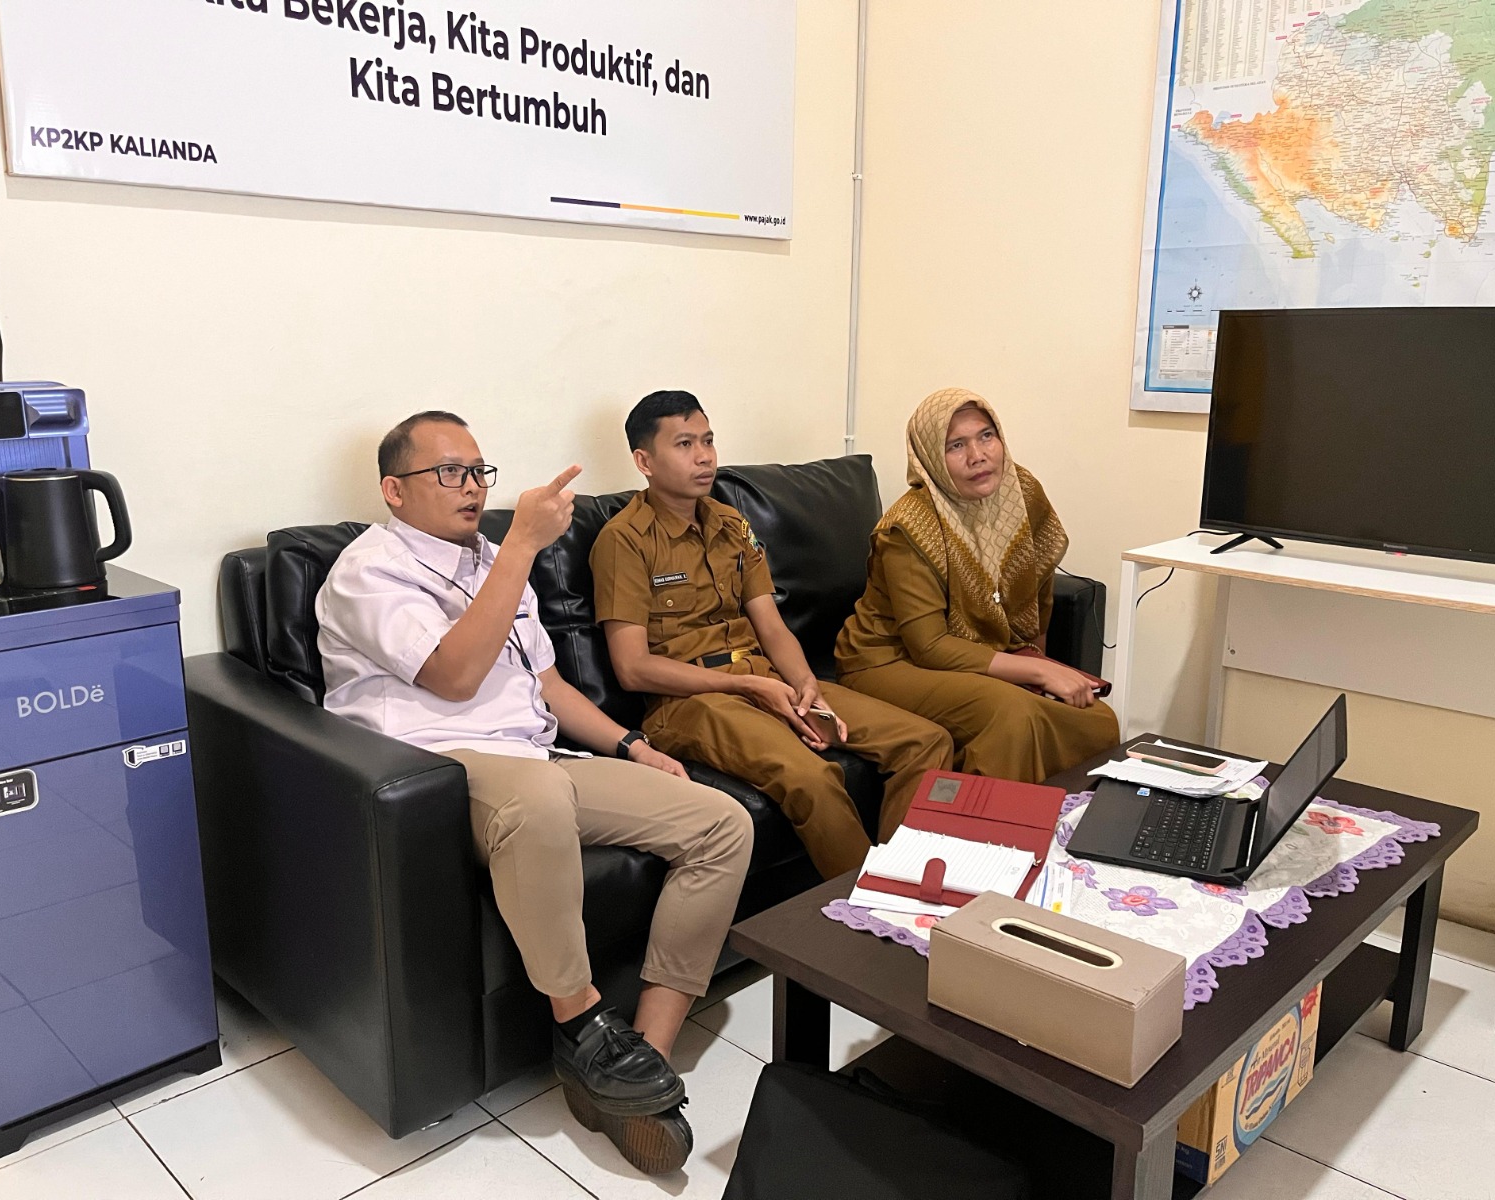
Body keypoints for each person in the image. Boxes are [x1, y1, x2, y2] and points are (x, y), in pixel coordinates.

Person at [315, 411, 753, 1176]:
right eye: (449, 472)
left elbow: (547, 684)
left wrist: (632, 745)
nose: (472, 487)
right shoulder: (369, 571)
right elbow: (454, 676)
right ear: (394, 490)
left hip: (536, 757)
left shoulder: (491, 559)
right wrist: (521, 545)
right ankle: (582, 1026)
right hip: (436, 771)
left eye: (478, 471)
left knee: (722, 822)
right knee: (540, 795)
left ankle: (636, 1060)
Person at [590, 391, 954, 880]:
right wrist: (745, 684)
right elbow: (632, 669)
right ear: (644, 461)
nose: (704, 457)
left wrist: (804, 683)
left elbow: (772, 626)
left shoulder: (731, 524)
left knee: (925, 741)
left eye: (708, 441)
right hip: (690, 702)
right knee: (812, 777)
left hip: (764, 677)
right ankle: (865, 910)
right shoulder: (624, 540)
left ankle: (901, 884)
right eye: (684, 444)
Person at [834, 387, 1119, 781]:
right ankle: (989, 822)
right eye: (956, 445)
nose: (978, 456)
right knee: (1012, 714)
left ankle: (1066, 819)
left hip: (982, 649)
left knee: (1096, 718)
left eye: (986, 436)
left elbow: (1037, 593)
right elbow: (929, 646)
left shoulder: (1022, 492)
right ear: (931, 456)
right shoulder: (909, 527)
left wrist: (1040, 665)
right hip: (888, 660)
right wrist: (1035, 674)